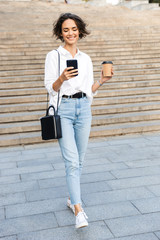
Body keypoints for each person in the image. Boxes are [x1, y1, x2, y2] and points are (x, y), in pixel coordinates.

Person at [44, 13, 113, 229]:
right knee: (72, 161)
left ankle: (70, 198)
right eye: (66, 30)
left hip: (84, 109)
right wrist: (62, 78)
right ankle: (78, 209)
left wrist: (101, 81)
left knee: (80, 160)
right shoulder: (53, 56)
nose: (70, 33)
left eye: (74, 29)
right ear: (60, 33)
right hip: (63, 109)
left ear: (79, 31)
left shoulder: (85, 58)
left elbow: (88, 89)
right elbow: (50, 88)